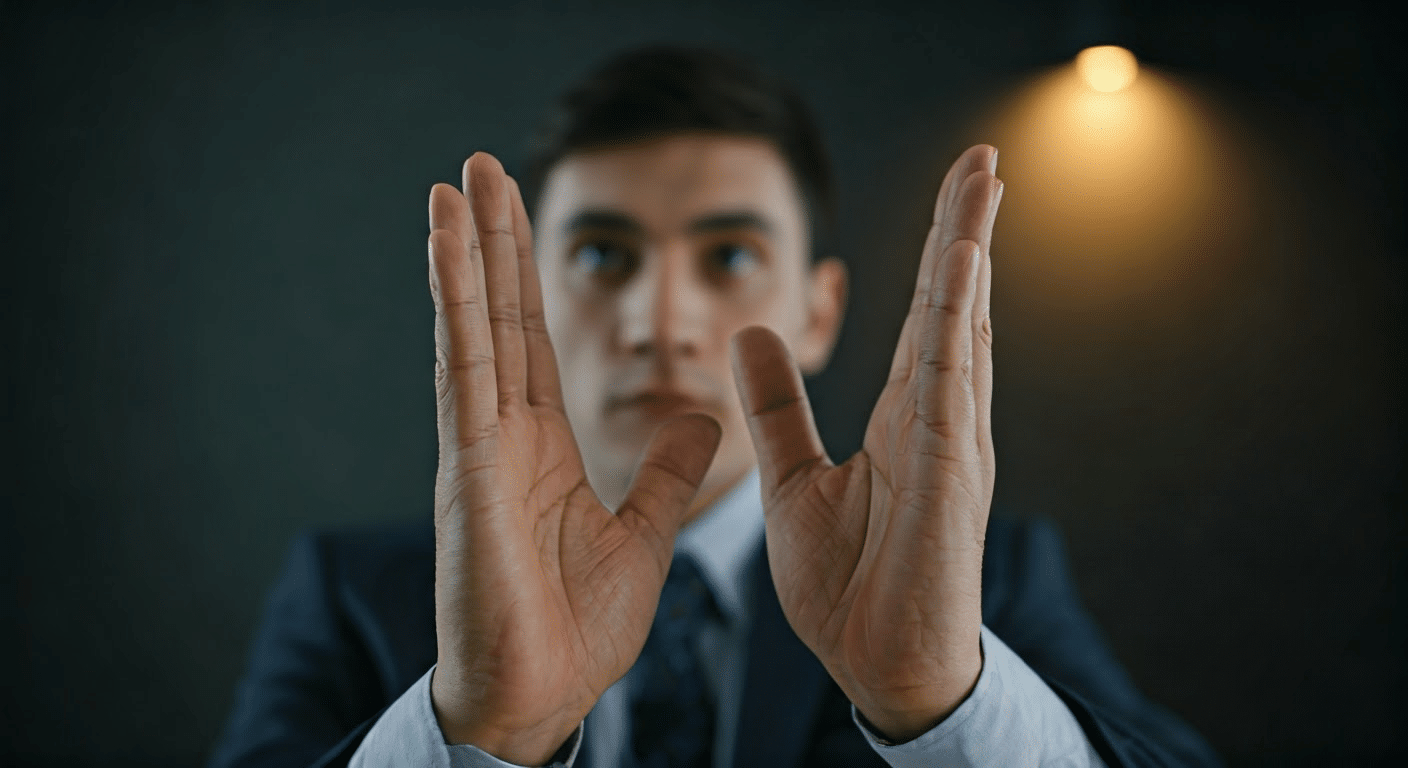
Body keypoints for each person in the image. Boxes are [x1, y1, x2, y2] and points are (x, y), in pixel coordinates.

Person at [208, 46, 1219, 768]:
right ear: (534, 294)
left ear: (819, 311)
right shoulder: (348, 589)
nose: (661, 319)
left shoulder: (983, 580)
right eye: (602, 255)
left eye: (729, 256)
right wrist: (472, 737)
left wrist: (942, 705)